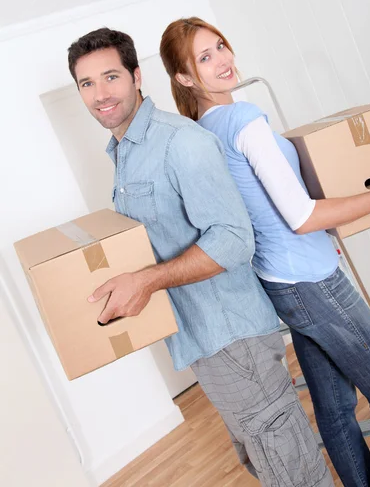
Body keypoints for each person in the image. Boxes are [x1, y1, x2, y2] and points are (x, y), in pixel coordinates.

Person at [67, 27, 333, 487]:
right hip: (203, 339)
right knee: (266, 461)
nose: (100, 94)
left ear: (136, 75)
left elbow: (233, 240)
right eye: (86, 84)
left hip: (232, 337)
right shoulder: (126, 150)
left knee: (292, 469)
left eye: (110, 77)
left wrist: (147, 281)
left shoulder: (179, 142)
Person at [159, 16, 370, 487]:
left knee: (334, 409)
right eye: (204, 57)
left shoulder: (205, 132)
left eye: (221, 46)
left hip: (283, 283)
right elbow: (301, 216)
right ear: (184, 77)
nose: (223, 60)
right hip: (313, 281)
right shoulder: (243, 119)